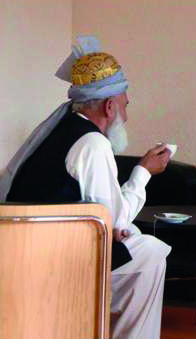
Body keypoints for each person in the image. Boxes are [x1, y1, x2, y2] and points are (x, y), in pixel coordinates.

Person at [1, 36, 171, 339]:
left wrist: (115, 229)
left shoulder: (60, 131)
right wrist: (143, 172)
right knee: (152, 253)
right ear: (109, 107)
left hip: (24, 251)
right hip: (56, 260)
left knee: (139, 244)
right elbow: (115, 220)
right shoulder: (92, 143)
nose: (127, 115)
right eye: (125, 106)